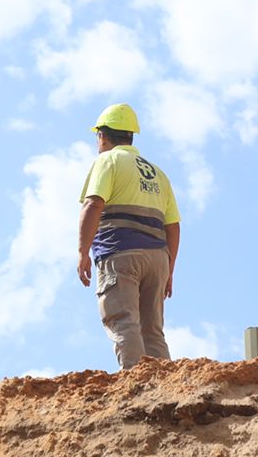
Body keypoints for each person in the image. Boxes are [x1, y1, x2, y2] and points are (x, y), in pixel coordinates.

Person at [76, 102, 180, 369]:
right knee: (152, 330)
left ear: (103, 135)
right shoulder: (158, 173)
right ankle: (165, 384)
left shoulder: (108, 160)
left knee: (124, 320)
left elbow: (94, 204)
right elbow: (173, 226)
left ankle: (135, 384)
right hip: (158, 258)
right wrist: (169, 269)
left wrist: (82, 251)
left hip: (121, 253)